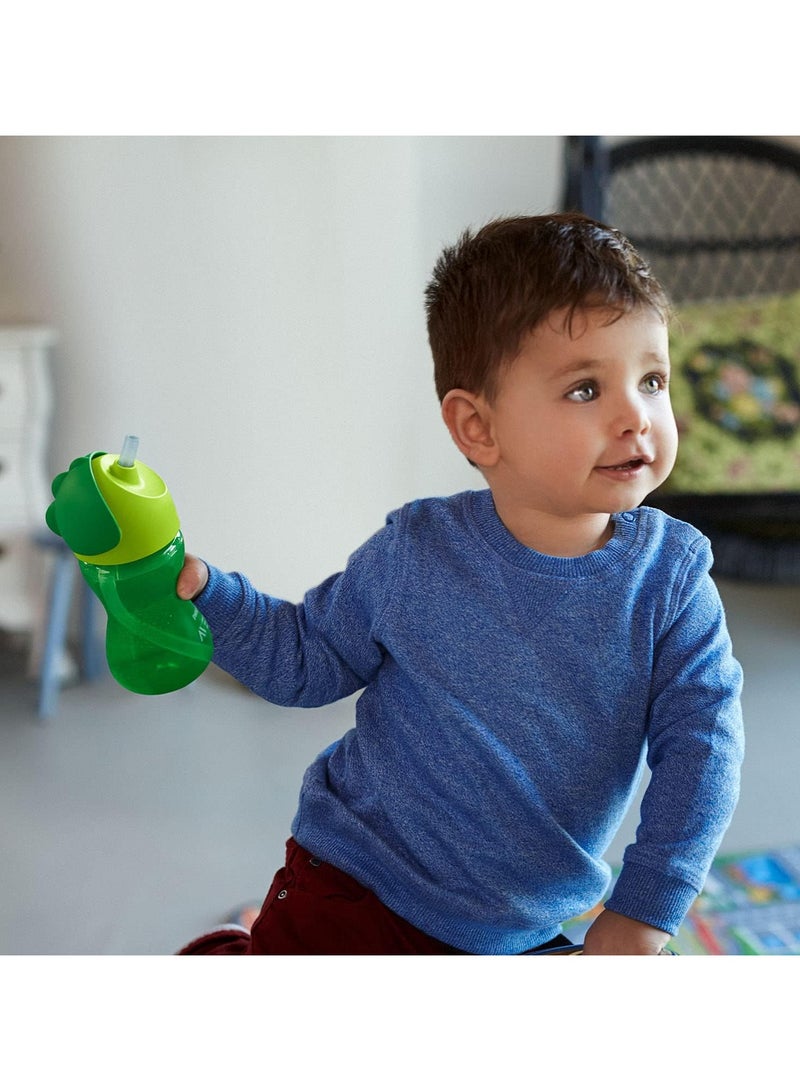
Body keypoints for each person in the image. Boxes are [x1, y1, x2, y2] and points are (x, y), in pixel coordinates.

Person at [176, 212, 744, 956]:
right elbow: (306, 658)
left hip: (522, 925)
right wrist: (210, 593)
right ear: (478, 428)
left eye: (651, 379)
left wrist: (643, 910)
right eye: (584, 389)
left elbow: (703, 753)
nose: (636, 416)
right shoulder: (414, 553)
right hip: (352, 881)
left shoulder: (674, 585)